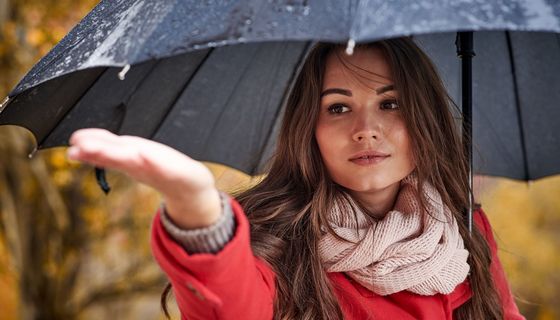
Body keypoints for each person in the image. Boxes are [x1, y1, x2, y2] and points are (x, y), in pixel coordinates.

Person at [67, 37, 525, 319]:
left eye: (390, 103)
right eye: (338, 107)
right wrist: (199, 212)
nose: (366, 128)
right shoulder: (278, 240)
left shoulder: (463, 229)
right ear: (310, 128)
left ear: (423, 118)